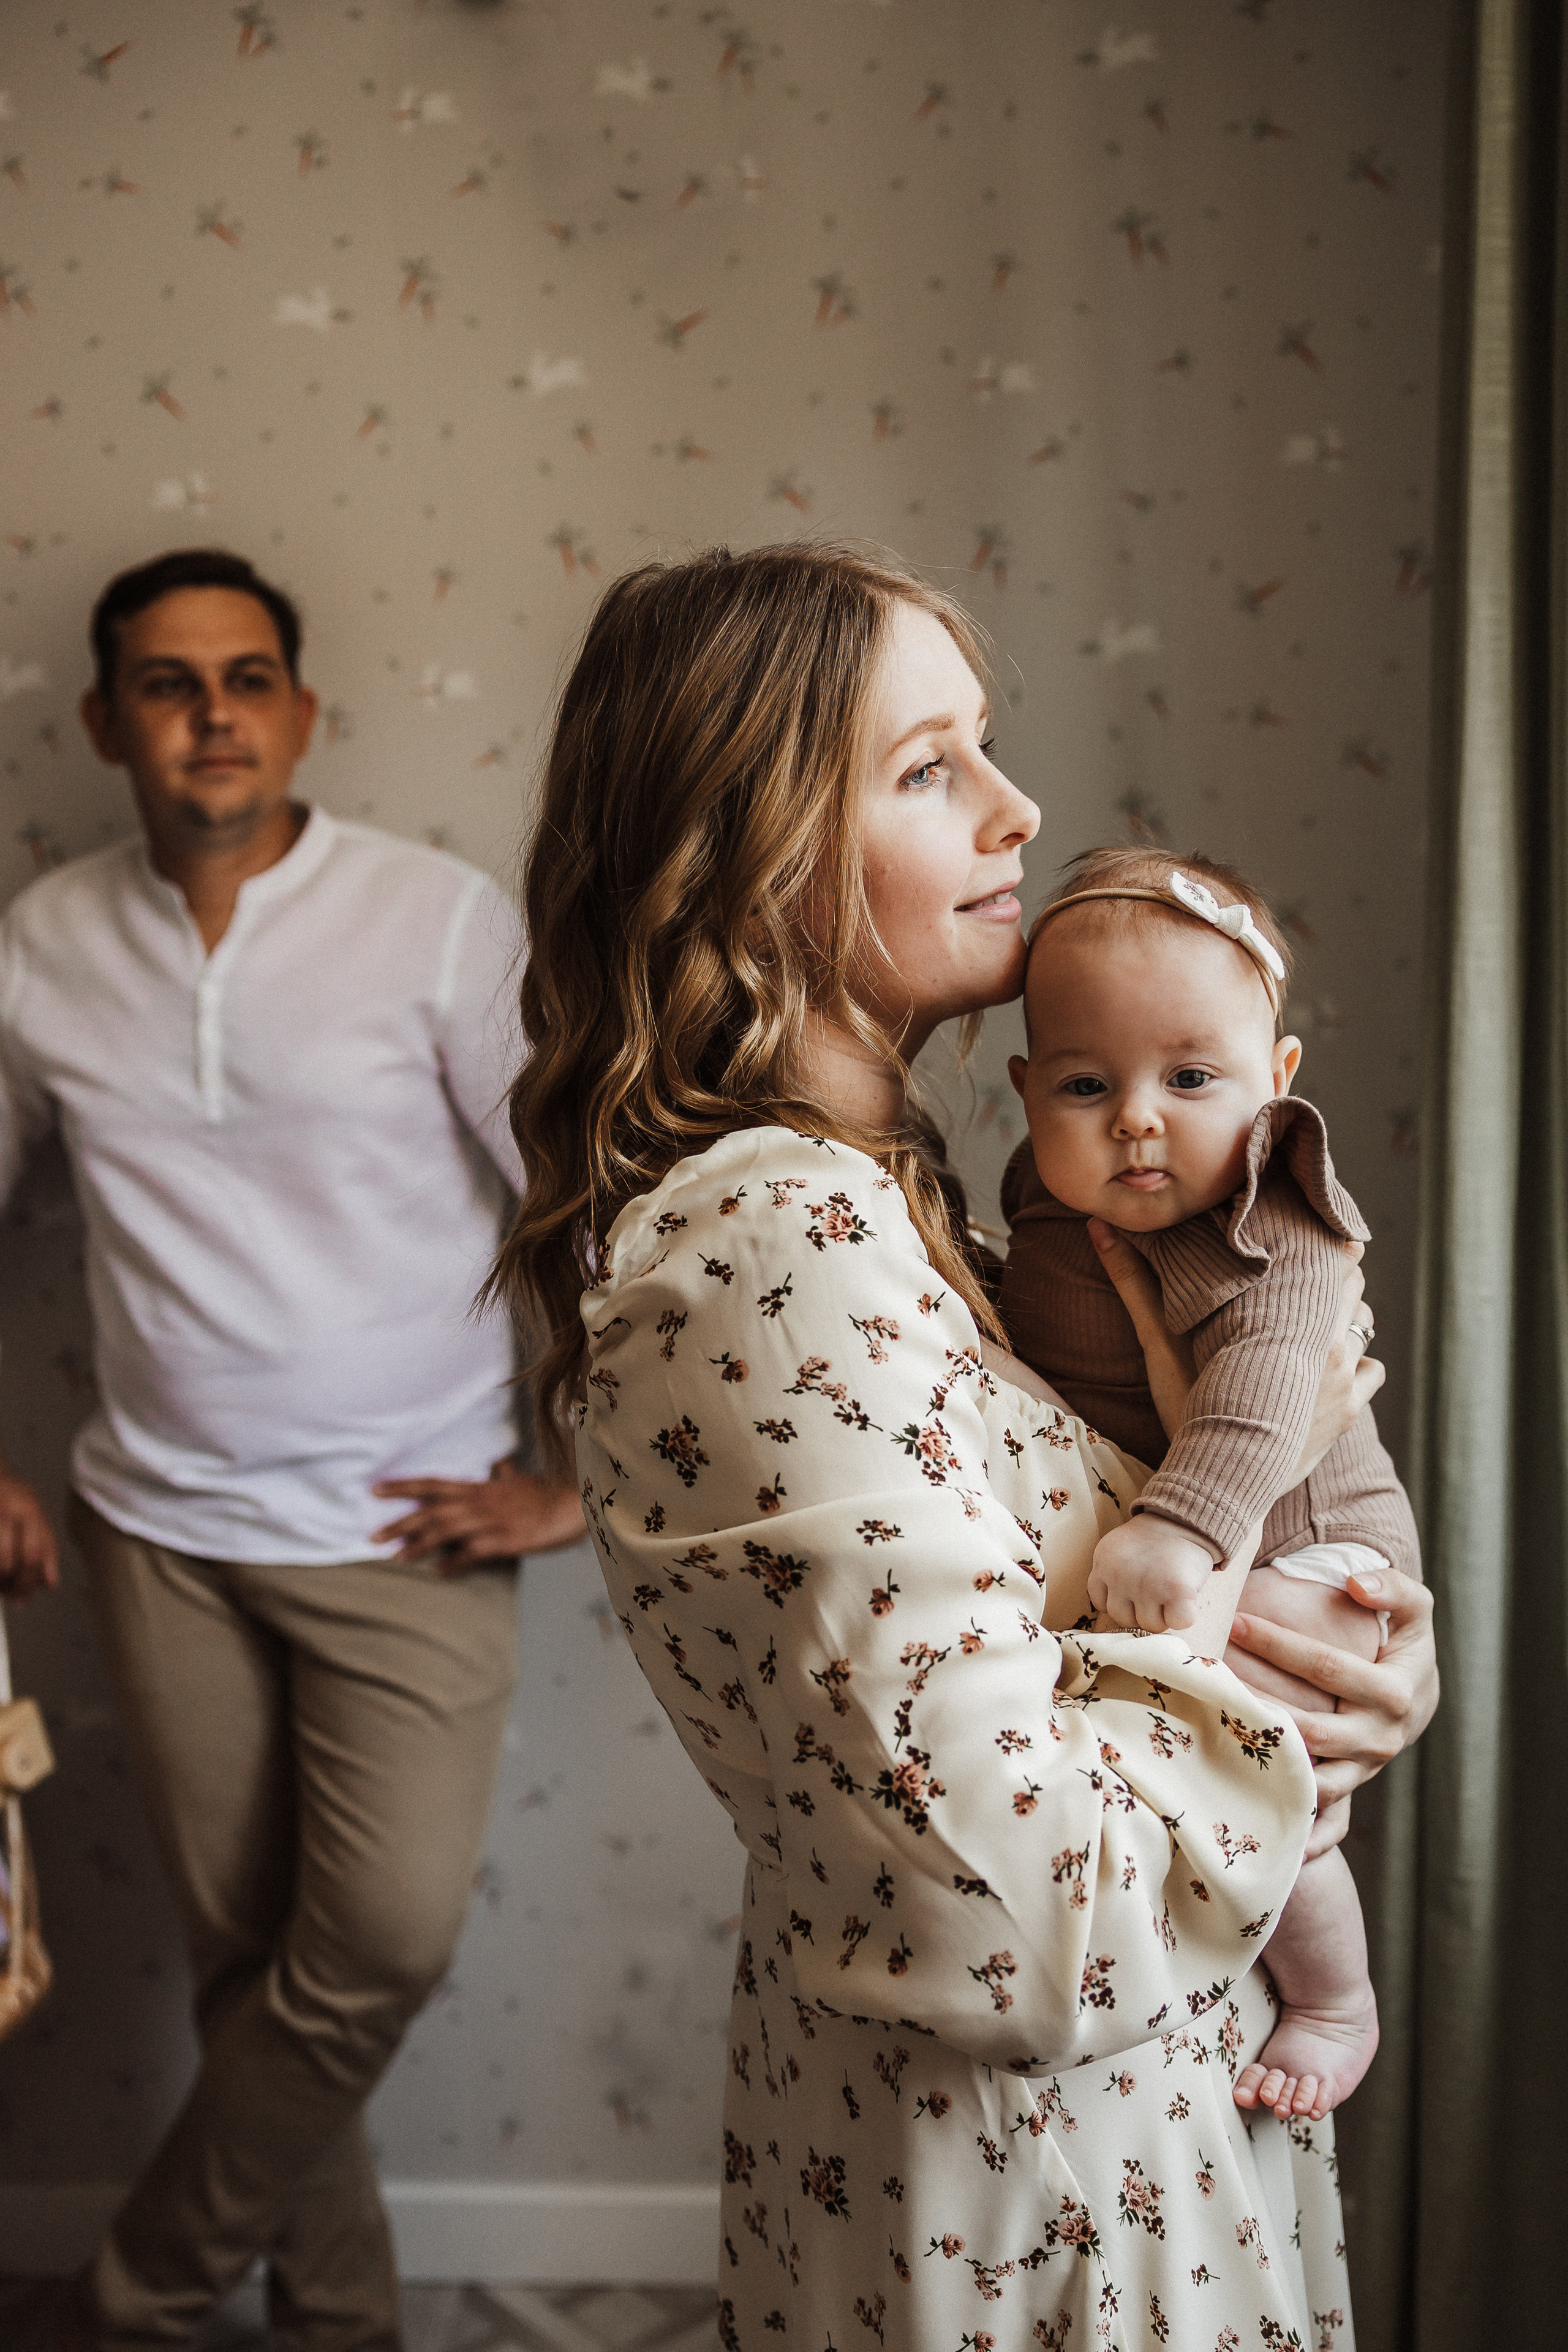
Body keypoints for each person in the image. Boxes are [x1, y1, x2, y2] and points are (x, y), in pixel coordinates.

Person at [488, 542, 1439, 2352]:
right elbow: (1018, 1909)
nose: (1019, 809)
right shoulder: (777, 1253)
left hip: (1129, 2136)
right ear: (749, 849)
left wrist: (1358, 1674)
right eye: (931, 770)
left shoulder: (944, 1222)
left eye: (986, 748)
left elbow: (1104, 1620)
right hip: (1036, 2191)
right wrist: (1268, 1708)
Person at [0, 548, 583, 2352]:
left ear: (304, 711)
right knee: (255, 1968)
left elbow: (580, 1199)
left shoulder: (434, 922)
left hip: (411, 1524)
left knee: (378, 1947)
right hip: (159, 1531)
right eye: (168, 685)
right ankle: (343, 2323)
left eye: (248, 677)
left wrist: (579, 1475)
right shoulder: (39, 946)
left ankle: (140, 2289)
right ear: (107, 722)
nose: (212, 715)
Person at [999, 844, 1422, 2129]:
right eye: (1086, 1083)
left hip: (1307, 1546)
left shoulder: (1269, 1215)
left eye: (1189, 1079)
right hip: (1200, 1543)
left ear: (1273, 1082)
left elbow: (1263, 1393)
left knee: (1265, 1764)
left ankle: (1332, 1994)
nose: (1136, 1117)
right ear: (1025, 1096)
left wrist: (1184, 1525)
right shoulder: (1044, 1200)